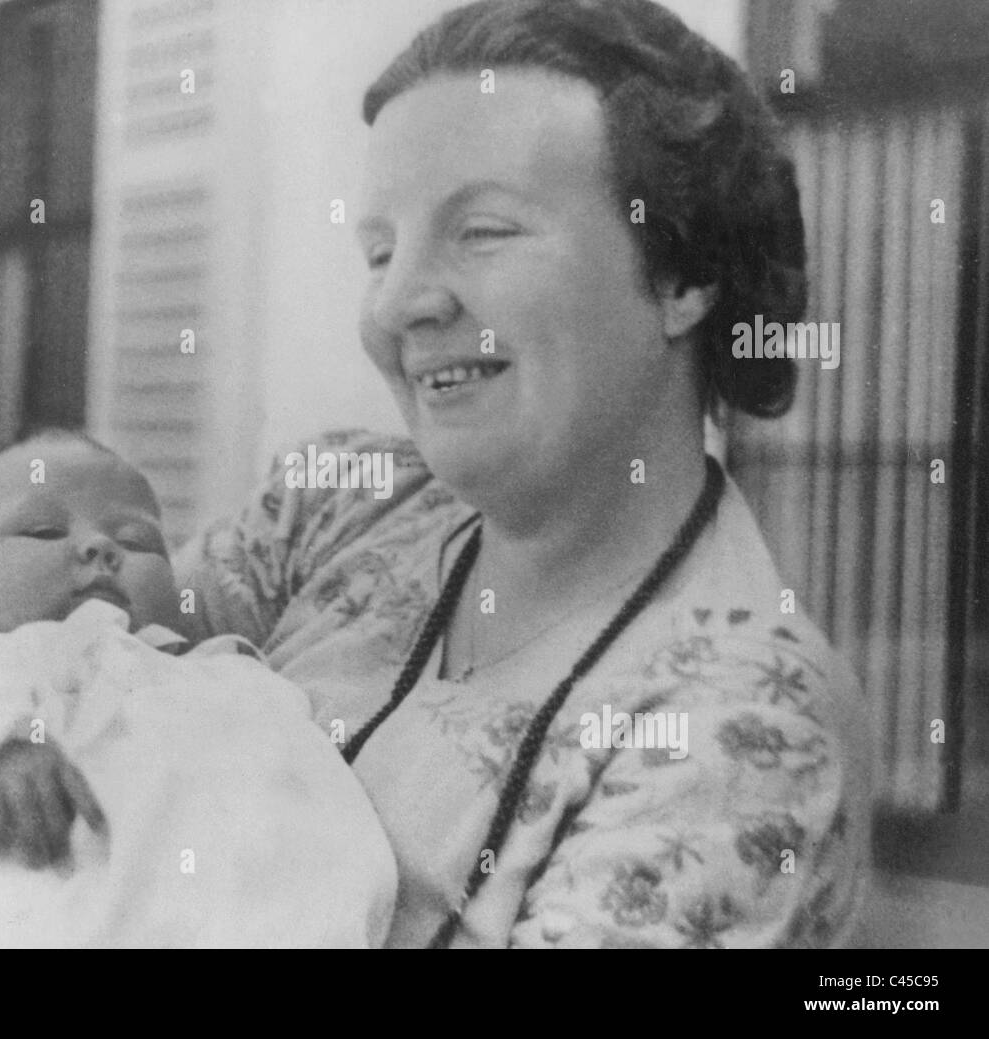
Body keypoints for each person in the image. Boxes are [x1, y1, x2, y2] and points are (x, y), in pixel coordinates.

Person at [176, 0, 872, 948]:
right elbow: (30, 667)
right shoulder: (342, 507)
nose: (401, 302)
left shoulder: (741, 724)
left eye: (485, 232)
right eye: (380, 250)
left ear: (681, 274)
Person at [0, 429, 397, 948]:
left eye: (138, 542)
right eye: (41, 530)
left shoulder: (223, 674)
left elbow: (306, 793)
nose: (100, 547)